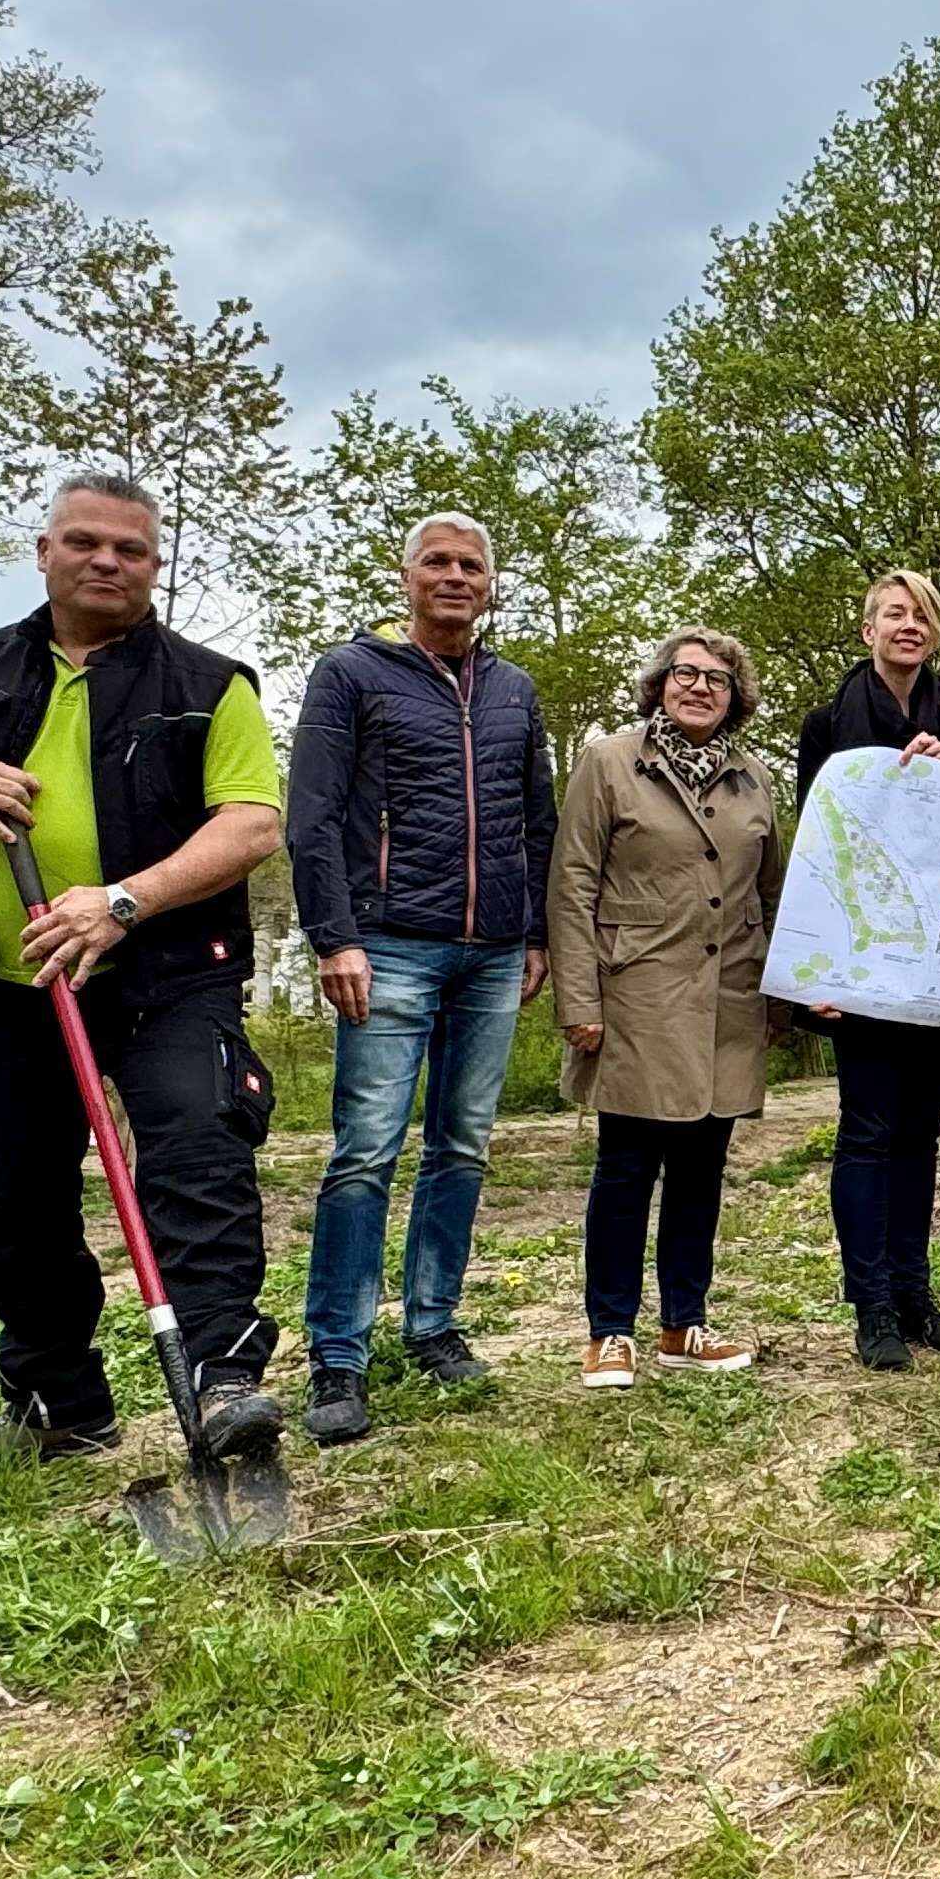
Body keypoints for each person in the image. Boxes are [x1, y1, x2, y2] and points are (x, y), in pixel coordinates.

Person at [0, 474, 289, 1466]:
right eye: (84, 542)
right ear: (43, 551)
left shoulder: (210, 684)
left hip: (169, 976)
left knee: (198, 1159)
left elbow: (253, 823)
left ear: (154, 564)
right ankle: (58, 1407)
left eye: (130, 549)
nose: (106, 561)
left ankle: (223, 1385)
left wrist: (120, 901)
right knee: (3, 1198)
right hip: (21, 985)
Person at [282, 515, 557, 1447]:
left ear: (490, 584)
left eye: (470, 565)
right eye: (436, 562)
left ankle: (433, 1327)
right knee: (365, 1150)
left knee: (464, 1147)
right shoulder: (351, 674)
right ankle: (338, 1356)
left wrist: (537, 934)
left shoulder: (515, 690)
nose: (454, 576)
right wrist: (334, 937)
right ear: (406, 578)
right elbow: (311, 816)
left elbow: (540, 821)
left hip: (493, 950)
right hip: (387, 945)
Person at [793, 570, 940, 1372]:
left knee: (922, 1130)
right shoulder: (827, 725)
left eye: (921, 614)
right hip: (859, 958)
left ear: (936, 631)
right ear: (868, 631)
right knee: (868, 1130)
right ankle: (872, 1303)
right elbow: (821, 843)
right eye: (893, 614)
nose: (907, 625)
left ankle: (917, 1295)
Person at [552, 628, 781, 1391]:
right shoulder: (609, 762)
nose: (699, 687)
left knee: (701, 1169)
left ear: (735, 697)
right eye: (685, 673)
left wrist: (784, 995)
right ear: (658, 684)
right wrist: (578, 999)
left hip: (729, 1000)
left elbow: (773, 894)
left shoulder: (754, 778)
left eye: (717, 679)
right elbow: (573, 884)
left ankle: (685, 1323)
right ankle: (608, 1331)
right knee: (625, 1169)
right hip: (635, 995)